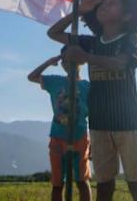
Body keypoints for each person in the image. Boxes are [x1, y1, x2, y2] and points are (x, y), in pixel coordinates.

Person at [48, 0, 137, 201]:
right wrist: (79, 11)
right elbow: (53, 33)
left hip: (127, 120)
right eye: (102, 3)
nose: (104, 6)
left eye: (112, 3)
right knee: (104, 183)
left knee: (136, 182)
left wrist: (86, 56)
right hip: (99, 121)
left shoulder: (130, 38)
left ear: (126, 15)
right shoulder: (91, 41)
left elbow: (121, 64)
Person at [27, 47, 91, 201]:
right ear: (62, 64)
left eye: (74, 58)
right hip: (57, 137)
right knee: (57, 184)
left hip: (80, 137)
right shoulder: (55, 81)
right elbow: (31, 77)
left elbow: (94, 113)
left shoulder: (87, 86)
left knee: (82, 181)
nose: (70, 62)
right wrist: (49, 62)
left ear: (81, 61)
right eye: (66, 60)